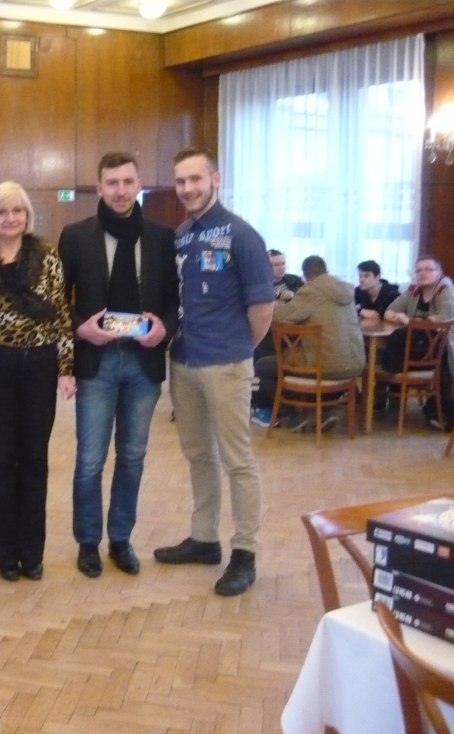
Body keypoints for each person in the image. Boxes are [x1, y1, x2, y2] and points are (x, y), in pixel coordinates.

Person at [154, 146, 273, 597]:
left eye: (196, 179)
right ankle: (204, 539)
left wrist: (239, 351)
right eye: (181, 181)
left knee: (238, 460)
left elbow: (262, 309)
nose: (188, 188)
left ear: (215, 180)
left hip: (226, 364)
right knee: (199, 455)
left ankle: (245, 552)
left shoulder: (242, 235)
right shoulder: (182, 235)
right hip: (184, 361)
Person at [57, 152, 179, 579]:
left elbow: (173, 301)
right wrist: (81, 329)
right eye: (112, 183)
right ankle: (88, 542)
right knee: (90, 459)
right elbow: (58, 302)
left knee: (132, 456)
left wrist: (164, 328)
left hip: (144, 365)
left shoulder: (162, 237)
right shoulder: (75, 236)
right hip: (97, 362)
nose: (121, 190)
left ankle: (121, 540)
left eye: (128, 182)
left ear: (139, 184)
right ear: (99, 187)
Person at [0, 181, 75, 582]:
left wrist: (66, 368)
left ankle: (32, 553)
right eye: (1, 211)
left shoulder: (47, 255)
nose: (10, 218)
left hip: (40, 365)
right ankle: (5, 554)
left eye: (17, 210)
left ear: (27, 215)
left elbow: (61, 313)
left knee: (34, 462)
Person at [252, 255, 365, 430]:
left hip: (326, 366)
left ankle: (292, 415)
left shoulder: (311, 291)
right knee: (304, 356)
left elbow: (280, 318)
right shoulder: (346, 290)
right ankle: (325, 412)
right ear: (326, 271)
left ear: (305, 275)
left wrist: (277, 306)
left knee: (264, 365)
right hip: (354, 364)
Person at [383, 254, 454, 430]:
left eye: (428, 269)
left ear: (439, 272)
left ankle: (390, 385)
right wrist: (415, 321)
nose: (422, 273)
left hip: (444, 345)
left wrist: (409, 321)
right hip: (418, 344)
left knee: (390, 350)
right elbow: (389, 311)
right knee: (388, 347)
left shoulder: (446, 289)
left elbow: (443, 320)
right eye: (418, 270)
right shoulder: (414, 290)